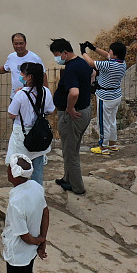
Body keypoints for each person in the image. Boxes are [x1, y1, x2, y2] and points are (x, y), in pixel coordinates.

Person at [49, 38, 92, 194]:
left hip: (73, 116)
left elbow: (74, 92)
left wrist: (70, 108)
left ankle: (77, 187)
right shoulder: (82, 63)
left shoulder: (71, 69)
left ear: (65, 53)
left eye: (56, 55)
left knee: (70, 152)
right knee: (71, 148)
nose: (56, 58)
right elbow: (93, 74)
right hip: (84, 110)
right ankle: (67, 179)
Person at [3, 154, 49, 273]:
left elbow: (24, 235)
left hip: (17, 255)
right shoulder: (36, 186)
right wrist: (42, 239)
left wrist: (37, 241)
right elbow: (45, 213)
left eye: (8, 168)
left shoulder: (15, 202)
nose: (7, 170)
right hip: (30, 252)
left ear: (14, 175)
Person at [6, 63, 55, 184]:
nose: (21, 75)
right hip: (39, 133)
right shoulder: (46, 92)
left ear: (29, 77)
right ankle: (37, 191)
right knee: (37, 169)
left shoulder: (21, 94)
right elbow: (51, 110)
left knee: (19, 168)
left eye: (23, 73)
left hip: (22, 135)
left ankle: (21, 191)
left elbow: (12, 114)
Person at [81, 41, 128, 154]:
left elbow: (91, 63)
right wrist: (94, 48)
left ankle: (103, 147)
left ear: (115, 54)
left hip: (105, 97)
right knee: (112, 121)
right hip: (116, 95)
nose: (108, 52)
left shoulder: (108, 65)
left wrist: (83, 52)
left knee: (103, 123)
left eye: (110, 51)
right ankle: (113, 143)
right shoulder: (122, 63)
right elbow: (107, 55)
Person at [0, 33, 46, 98]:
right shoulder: (11, 57)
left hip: (31, 97)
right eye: (16, 44)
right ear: (12, 44)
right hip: (15, 96)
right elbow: (5, 68)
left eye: (21, 43)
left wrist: (45, 94)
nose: (18, 46)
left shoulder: (34, 58)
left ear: (25, 43)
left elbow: (43, 75)